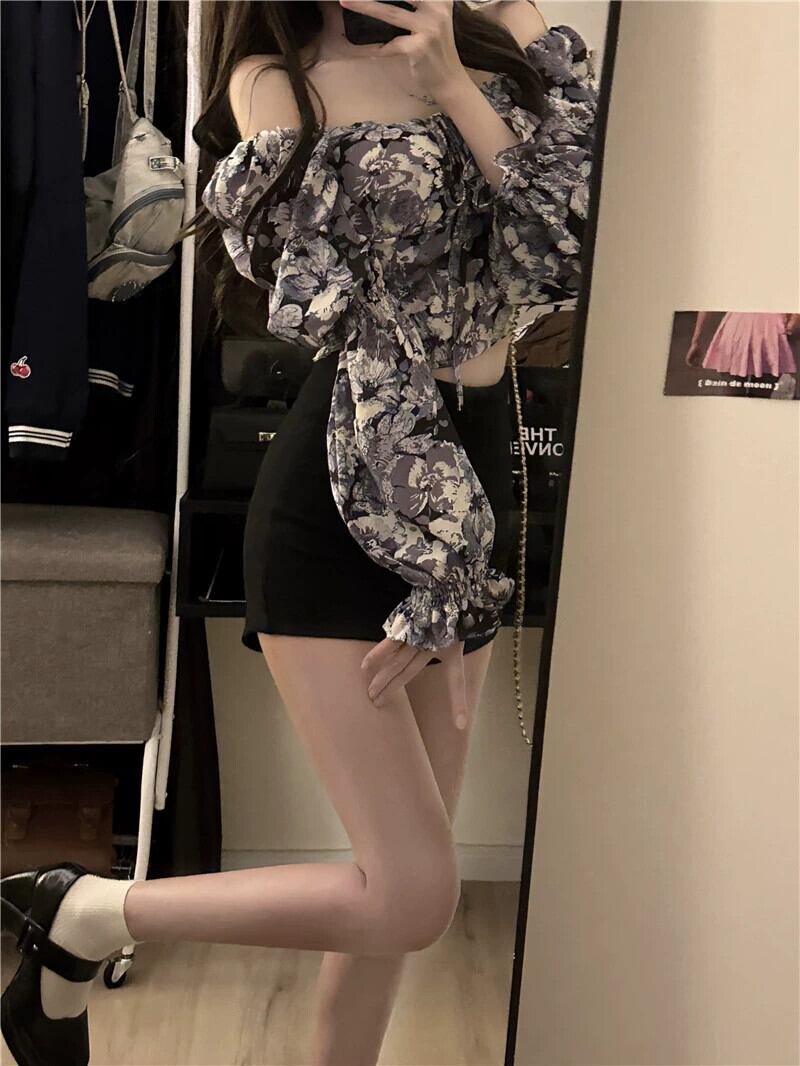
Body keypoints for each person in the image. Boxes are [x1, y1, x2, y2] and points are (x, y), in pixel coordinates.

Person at [0, 3, 597, 1064]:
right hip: (345, 486)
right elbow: (360, 310)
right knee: (411, 894)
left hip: (465, 493)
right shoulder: (273, 80)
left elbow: (573, 238)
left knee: (391, 892)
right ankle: (87, 911)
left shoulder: (500, 48)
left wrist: (462, 77)